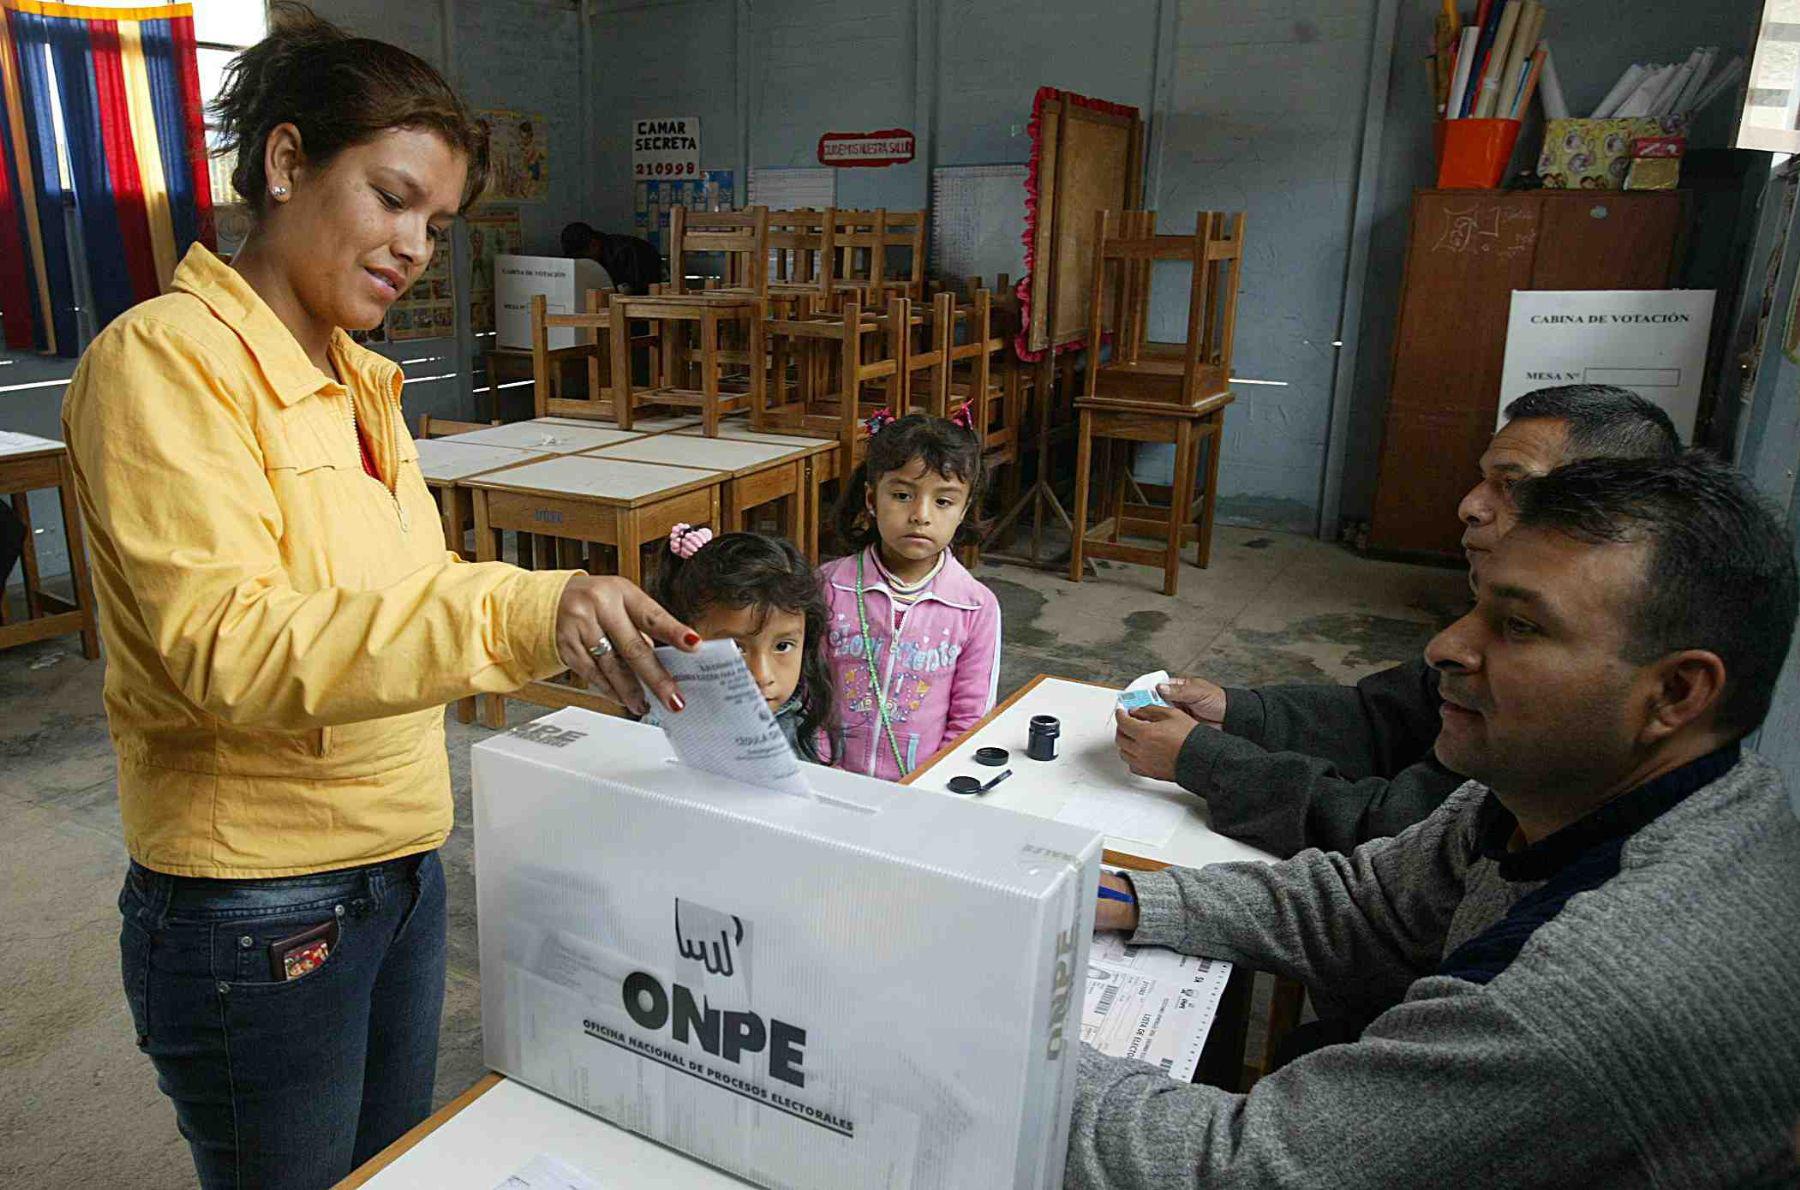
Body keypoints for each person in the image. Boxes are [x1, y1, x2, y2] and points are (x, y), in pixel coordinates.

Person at [63, 8, 698, 1186]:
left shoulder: (361, 378)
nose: (415, 244)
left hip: (401, 867)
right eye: (392, 197)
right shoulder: (164, 363)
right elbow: (229, 648)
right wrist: (519, 613)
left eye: (437, 223)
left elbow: (409, 592)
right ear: (288, 161)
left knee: (390, 1167)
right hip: (259, 904)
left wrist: (549, 602)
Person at [1071, 452, 1800, 1188]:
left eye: (1518, 625)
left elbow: (1239, 1171)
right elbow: (1368, 903)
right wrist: (1137, 900)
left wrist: (982, 1039)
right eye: (1476, 603)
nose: (1445, 647)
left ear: (1677, 692)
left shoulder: (1592, 989)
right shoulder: (1555, 796)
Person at [1114, 384, 1681, 857]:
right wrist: (1240, 712)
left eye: (1510, 485)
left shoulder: (1588, 687)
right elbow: (1381, 715)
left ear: (1610, 512)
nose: (1470, 504)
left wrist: (1207, 760)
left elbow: (1398, 836)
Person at [823, 409, 1001, 779]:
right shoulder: (829, 586)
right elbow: (807, 688)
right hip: (831, 781)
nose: (920, 515)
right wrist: (824, 768)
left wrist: (931, 783)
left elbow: (971, 718)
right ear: (871, 500)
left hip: (921, 790)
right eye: (902, 495)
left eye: (943, 501)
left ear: (964, 509)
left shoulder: (975, 607)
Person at [650, 525, 837, 764]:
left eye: (782, 646)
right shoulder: (663, 731)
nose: (761, 675)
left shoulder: (798, 720)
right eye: (735, 648)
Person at [560, 219, 660, 294]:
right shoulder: (603, 252)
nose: (582, 261)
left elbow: (635, 290)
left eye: (582, 257)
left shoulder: (626, 252)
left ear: (594, 245)